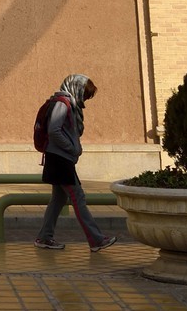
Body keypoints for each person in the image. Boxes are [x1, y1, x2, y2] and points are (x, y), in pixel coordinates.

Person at [35, 73, 117, 252]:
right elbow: (54, 131)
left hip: (60, 159)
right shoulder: (62, 104)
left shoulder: (69, 104)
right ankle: (96, 240)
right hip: (60, 160)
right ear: (76, 88)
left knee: (58, 199)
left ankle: (44, 237)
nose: (85, 99)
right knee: (78, 197)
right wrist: (72, 149)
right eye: (85, 94)